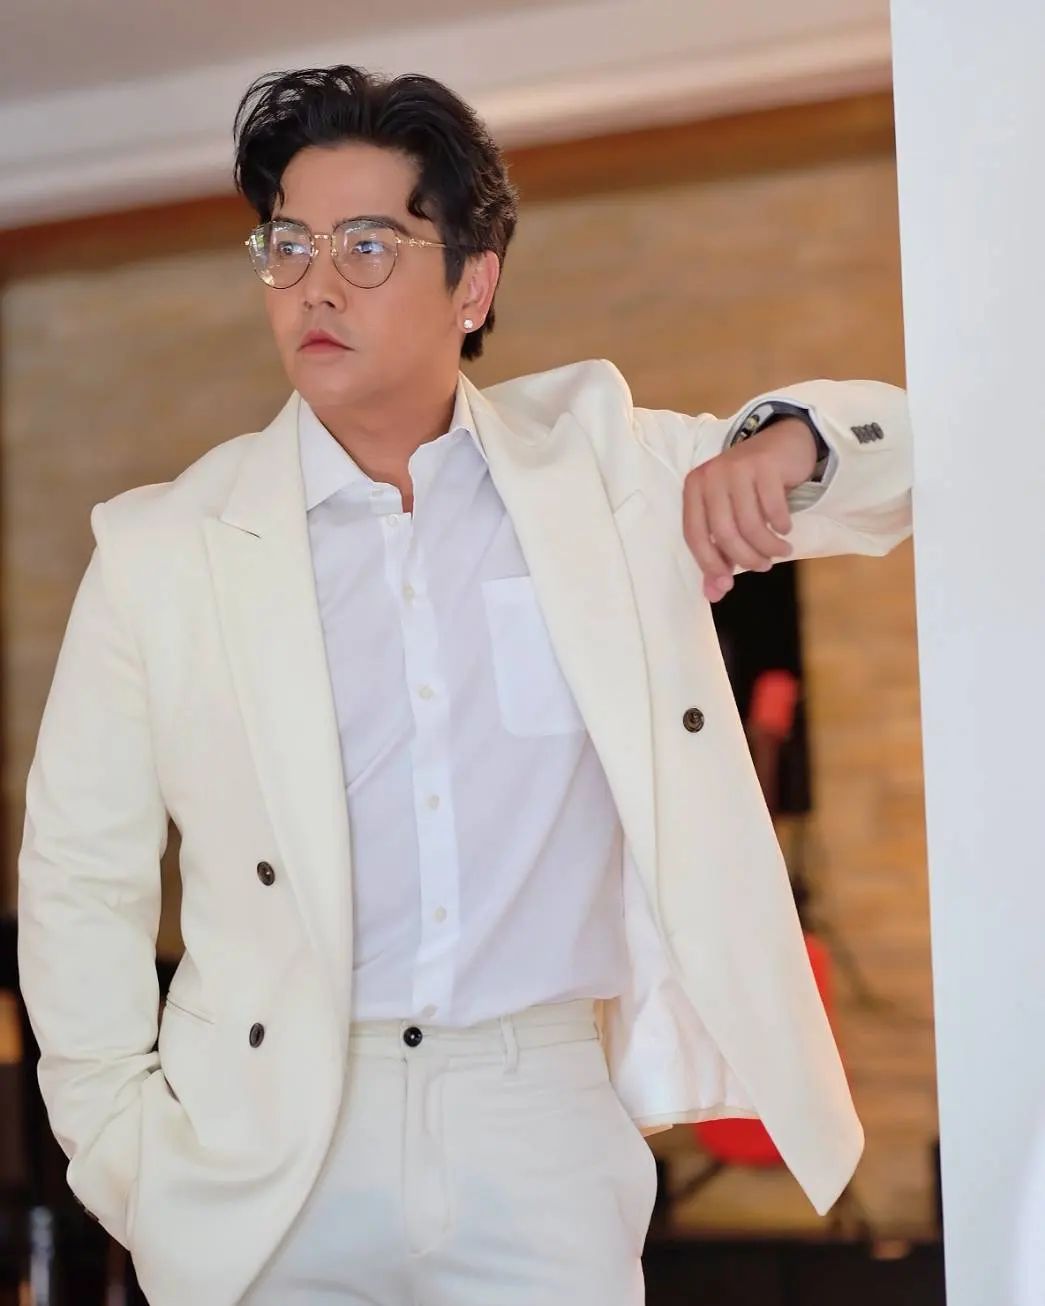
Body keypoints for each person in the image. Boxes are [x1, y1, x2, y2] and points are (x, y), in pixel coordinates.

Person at [16, 65, 913, 1306]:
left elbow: (911, 458)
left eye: (366, 245)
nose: (316, 284)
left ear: (473, 283)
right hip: (267, 1139)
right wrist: (122, 1153)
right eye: (288, 245)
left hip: (536, 1124)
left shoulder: (605, 477)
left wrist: (791, 439)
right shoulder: (161, 551)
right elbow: (78, 875)